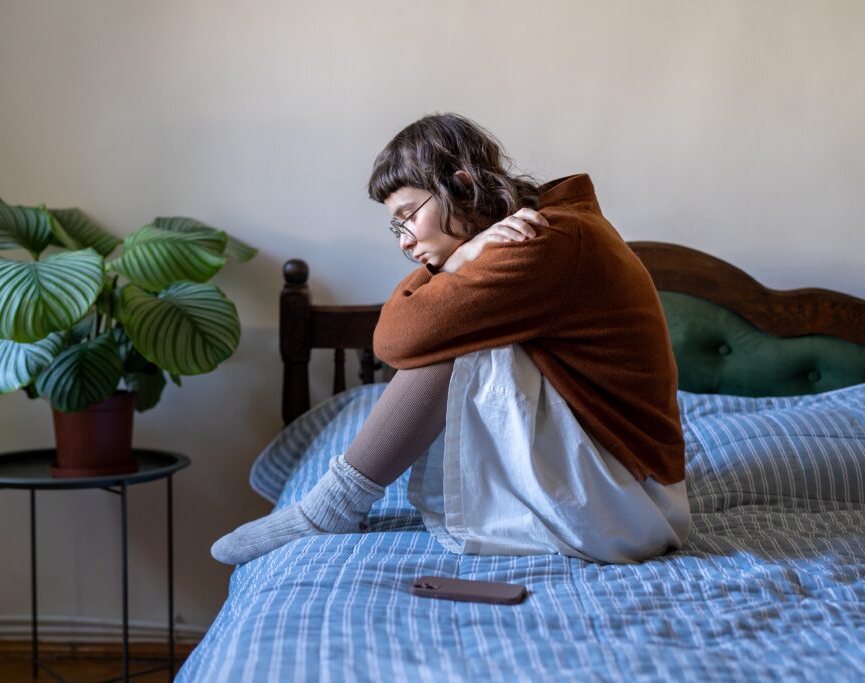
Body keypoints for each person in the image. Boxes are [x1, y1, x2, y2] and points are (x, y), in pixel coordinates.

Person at [211, 113, 690, 566]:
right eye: (395, 226)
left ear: (461, 186)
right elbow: (399, 334)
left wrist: (457, 264)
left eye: (408, 216)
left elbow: (395, 340)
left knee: (459, 340)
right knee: (456, 328)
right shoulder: (551, 227)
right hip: (628, 497)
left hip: (622, 511)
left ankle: (332, 507)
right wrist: (460, 260)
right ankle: (334, 504)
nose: (403, 240)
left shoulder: (542, 239)